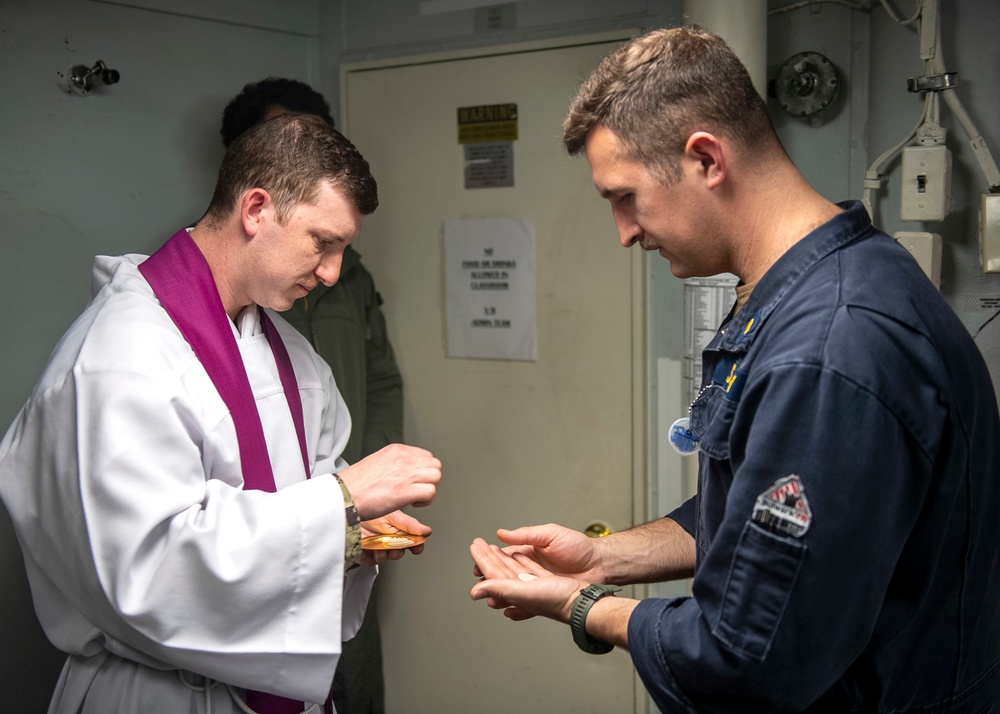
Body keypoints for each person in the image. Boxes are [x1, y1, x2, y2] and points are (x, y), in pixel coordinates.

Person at [469, 26, 999, 712]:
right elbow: (761, 522)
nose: (624, 231)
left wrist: (579, 604)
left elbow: (746, 658)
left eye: (625, 196)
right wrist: (605, 557)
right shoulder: (830, 281)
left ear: (706, 159)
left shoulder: (832, 347)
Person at [0, 113, 442, 714]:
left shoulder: (295, 357)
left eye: (344, 248)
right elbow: (150, 573)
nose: (334, 272)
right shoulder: (121, 355)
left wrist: (352, 537)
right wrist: (340, 500)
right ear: (256, 209)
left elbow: (304, 496)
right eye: (323, 242)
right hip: (158, 693)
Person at [221, 77, 402, 714]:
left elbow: (381, 379)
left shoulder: (345, 272)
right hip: (265, 544)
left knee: (352, 681)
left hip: (344, 531)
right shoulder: (204, 283)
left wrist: (367, 489)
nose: (325, 267)